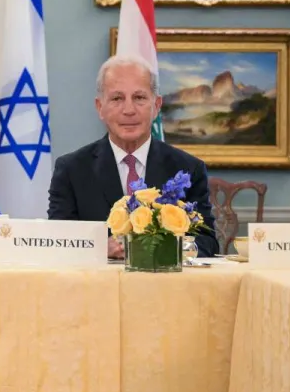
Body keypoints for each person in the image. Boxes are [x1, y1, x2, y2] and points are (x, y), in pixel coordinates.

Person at [48, 55, 219, 258]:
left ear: (156, 106)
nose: (129, 110)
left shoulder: (188, 169)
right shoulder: (71, 170)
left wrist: (159, 248)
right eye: (117, 98)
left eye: (139, 98)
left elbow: (207, 243)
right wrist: (100, 248)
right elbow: (59, 242)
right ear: (99, 107)